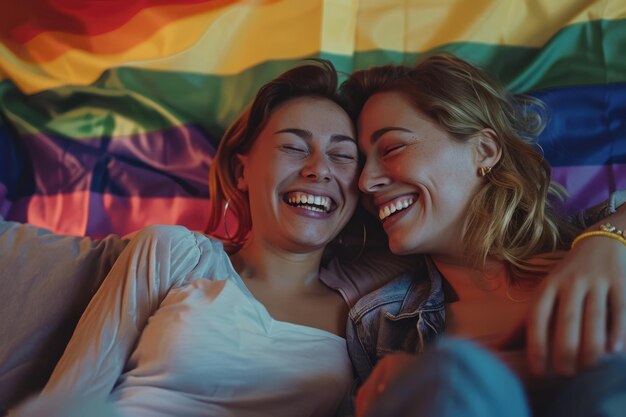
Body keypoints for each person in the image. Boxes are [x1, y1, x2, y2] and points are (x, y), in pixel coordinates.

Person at [7, 59, 408, 417]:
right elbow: (71, 397)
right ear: (241, 171)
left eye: (342, 156)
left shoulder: (374, 313)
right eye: (293, 147)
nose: (318, 169)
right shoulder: (173, 253)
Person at [338, 53, 626, 416]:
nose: (366, 182)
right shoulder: (381, 326)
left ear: (485, 150)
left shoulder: (597, 240)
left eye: (392, 148)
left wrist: (607, 240)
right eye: (362, 163)